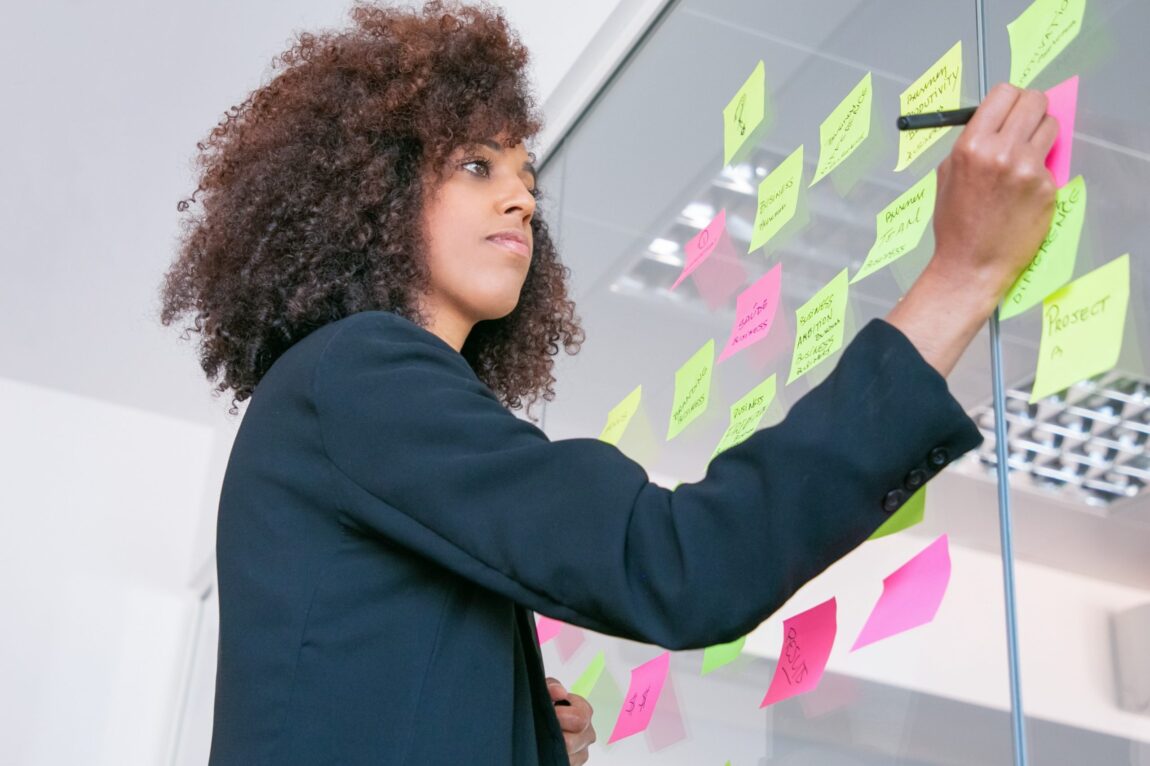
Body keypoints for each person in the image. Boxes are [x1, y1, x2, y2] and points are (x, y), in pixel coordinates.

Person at [160, 2, 1057, 764]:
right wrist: (962, 276)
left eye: (527, 176)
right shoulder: (360, 370)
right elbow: (684, 564)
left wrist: (524, 731)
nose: (521, 199)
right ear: (373, 194)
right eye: (477, 165)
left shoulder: (357, 407)